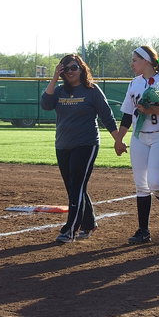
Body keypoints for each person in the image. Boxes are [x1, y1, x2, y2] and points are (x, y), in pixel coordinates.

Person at [41, 54, 119, 243]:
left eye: (73, 67)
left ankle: (70, 229)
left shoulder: (92, 90)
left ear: (81, 69)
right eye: (66, 69)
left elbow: (106, 116)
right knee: (74, 187)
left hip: (86, 144)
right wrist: (53, 78)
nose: (70, 72)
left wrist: (118, 139)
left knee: (76, 186)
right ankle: (89, 223)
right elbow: (45, 104)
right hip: (63, 144)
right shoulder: (59, 91)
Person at [115, 46, 159, 245]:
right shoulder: (134, 84)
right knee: (141, 185)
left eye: (135, 59)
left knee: (156, 183)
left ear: (146, 61)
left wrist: (153, 108)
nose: (132, 63)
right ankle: (143, 231)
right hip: (139, 138)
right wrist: (119, 139)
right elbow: (127, 115)